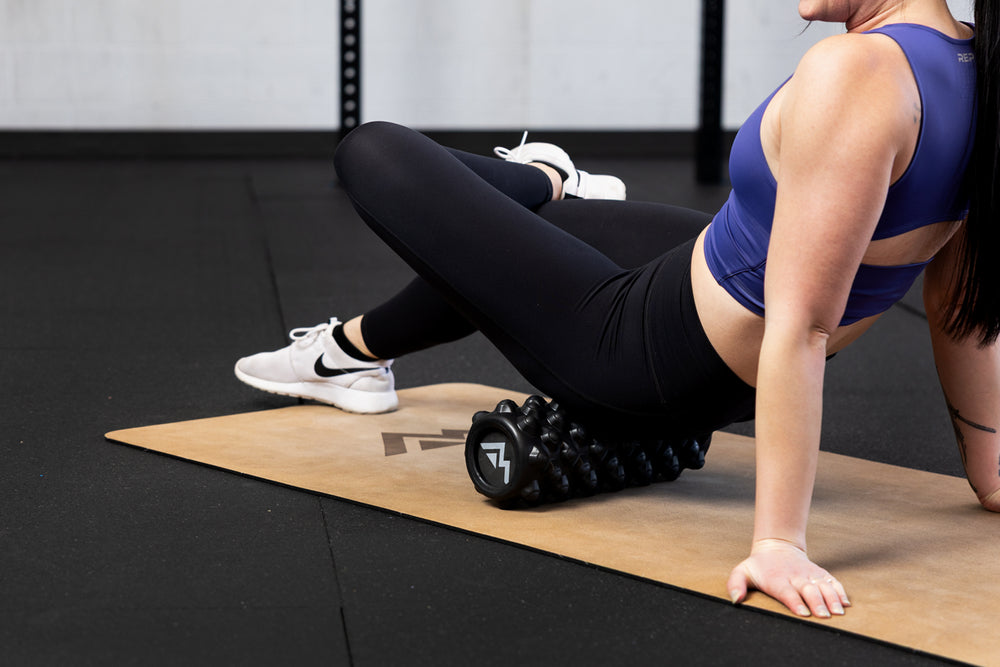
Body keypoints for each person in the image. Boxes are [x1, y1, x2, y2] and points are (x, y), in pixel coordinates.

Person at [235, 0, 1000, 619]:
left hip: (639, 355)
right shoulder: (977, 65)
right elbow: (957, 295)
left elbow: (801, 327)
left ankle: (544, 183)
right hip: (706, 297)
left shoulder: (857, 72)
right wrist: (992, 468)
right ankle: (352, 353)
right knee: (496, 251)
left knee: (373, 151)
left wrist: (779, 540)